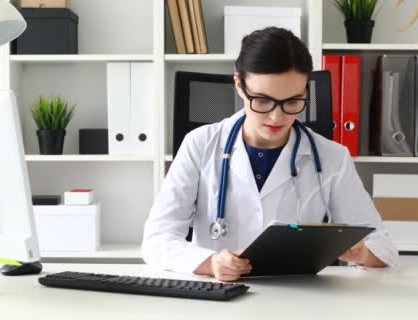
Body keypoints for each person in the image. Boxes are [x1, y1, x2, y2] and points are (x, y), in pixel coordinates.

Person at [141, 27, 398, 282]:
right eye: (263, 101)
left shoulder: (331, 156)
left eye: (293, 102)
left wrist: (361, 252)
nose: (277, 117)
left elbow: (384, 248)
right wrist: (210, 262)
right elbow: (157, 240)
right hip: (217, 295)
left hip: (296, 297)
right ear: (239, 86)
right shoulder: (200, 144)